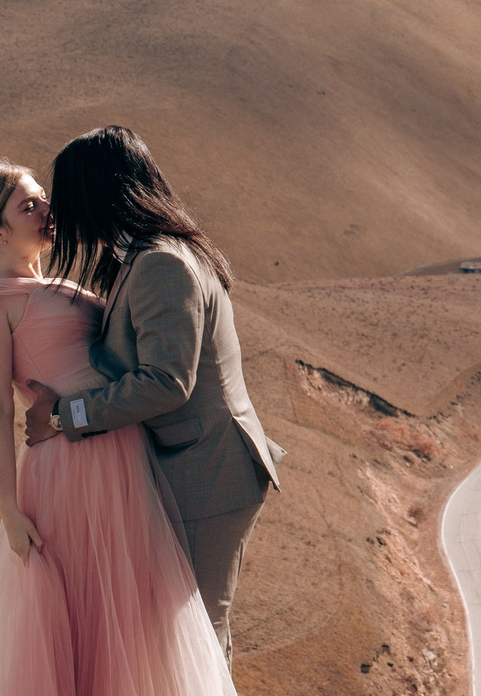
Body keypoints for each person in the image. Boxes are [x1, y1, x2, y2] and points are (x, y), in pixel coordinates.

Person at [0, 160, 289, 696]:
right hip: (65, 477)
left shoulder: (76, 286)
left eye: (43, 197)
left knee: (129, 638)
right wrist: (7, 509)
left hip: (124, 469)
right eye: (31, 202)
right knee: (78, 644)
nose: (47, 208)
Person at [21, 125, 286, 654]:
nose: (61, 212)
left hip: (208, 471)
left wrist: (61, 417)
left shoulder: (161, 263)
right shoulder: (146, 256)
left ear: (97, 193)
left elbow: (167, 382)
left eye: (67, 195)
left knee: (199, 636)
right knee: (182, 632)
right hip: (195, 464)